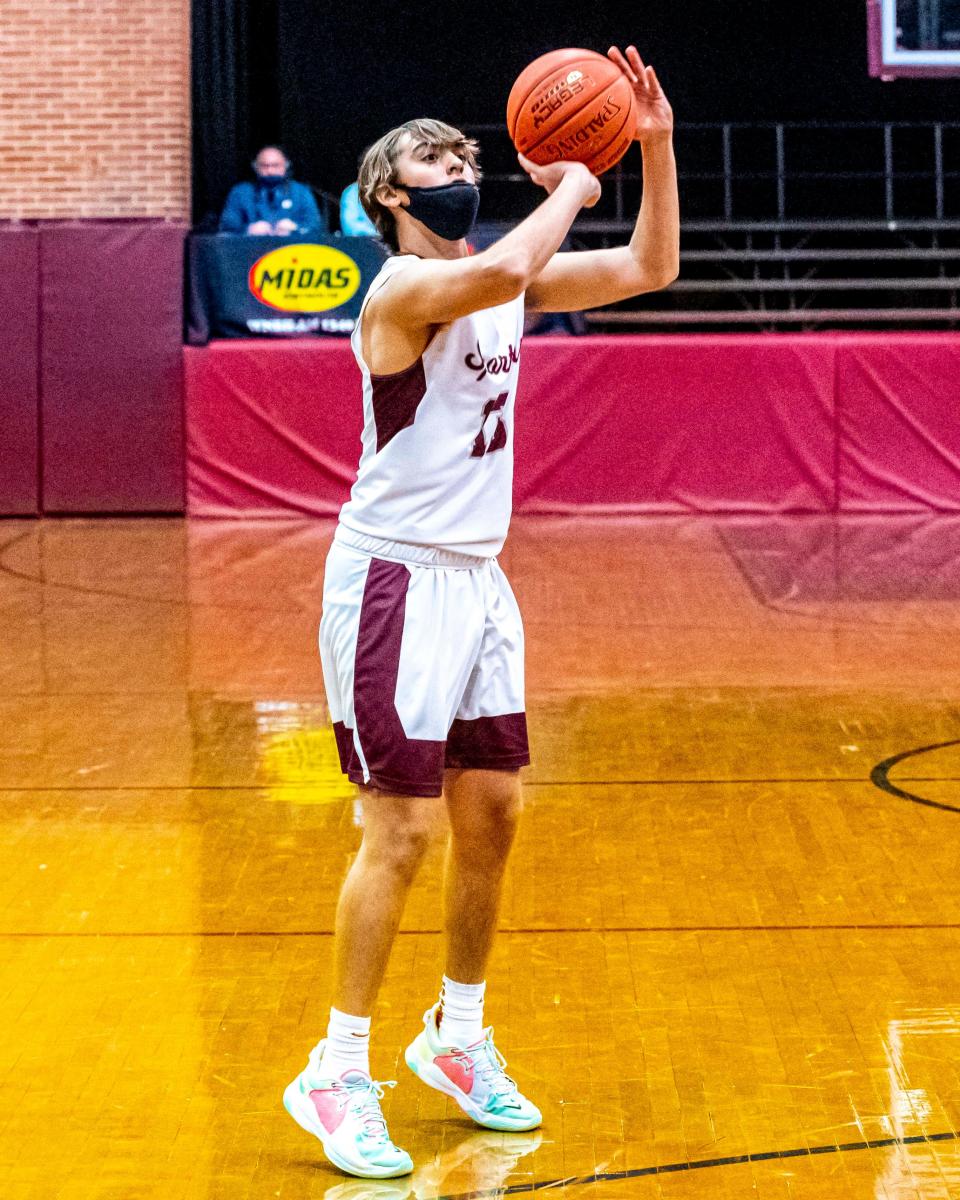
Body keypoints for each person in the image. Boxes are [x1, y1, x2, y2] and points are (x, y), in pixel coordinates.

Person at [283, 45, 678, 1180]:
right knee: (399, 830)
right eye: (433, 157)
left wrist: (648, 146)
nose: (459, 163)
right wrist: (568, 183)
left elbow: (652, 267)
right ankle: (337, 1070)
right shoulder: (405, 288)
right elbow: (505, 273)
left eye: (464, 150)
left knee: (493, 814)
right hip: (396, 581)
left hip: (478, 579)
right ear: (389, 196)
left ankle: (456, 1041)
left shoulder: (508, 273)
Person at [219, 145, 326, 236]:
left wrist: (295, 228)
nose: (270, 171)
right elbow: (226, 228)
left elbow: (315, 227)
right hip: (250, 250)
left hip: (292, 252)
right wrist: (248, 229)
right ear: (255, 167)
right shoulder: (240, 192)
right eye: (264, 166)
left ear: (286, 166)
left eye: (276, 165)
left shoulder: (301, 192)